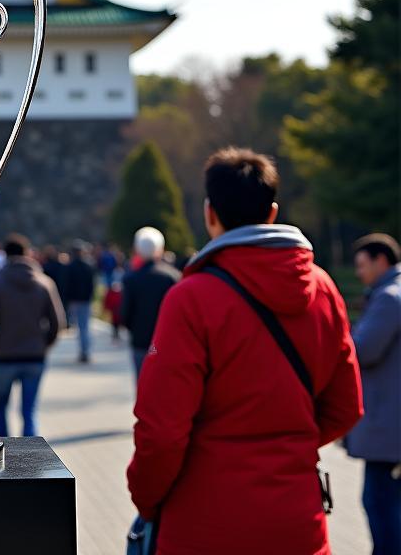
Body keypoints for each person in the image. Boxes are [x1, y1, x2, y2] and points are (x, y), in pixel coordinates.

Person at [127, 148, 362, 555]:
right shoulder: (322, 288)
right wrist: (286, 444)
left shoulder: (192, 297)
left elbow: (162, 432)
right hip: (298, 521)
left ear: (209, 214)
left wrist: (146, 500)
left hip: (203, 522)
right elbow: (346, 407)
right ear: (272, 212)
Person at [345, 233, 401, 555]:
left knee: (379, 504)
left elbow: (361, 351)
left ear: (382, 260)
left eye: (362, 265)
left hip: (387, 428)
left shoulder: (388, 298)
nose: (359, 273)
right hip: (393, 426)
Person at [0, 234, 64, 438]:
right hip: (34, 355)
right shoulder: (44, 283)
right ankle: (31, 456)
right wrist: (44, 344)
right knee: (29, 410)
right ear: (27, 253)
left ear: (5, 255)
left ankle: (4, 448)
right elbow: (57, 323)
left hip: (4, 355)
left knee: (0, 407)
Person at [121, 227, 181, 379]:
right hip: (166, 341)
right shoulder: (173, 277)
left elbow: (125, 314)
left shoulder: (131, 278)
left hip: (140, 341)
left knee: (143, 382)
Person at [66, 241, 95, 363]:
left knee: (80, 327)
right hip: (85, 300)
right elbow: (92, 285)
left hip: (75, 300)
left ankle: (84, 351)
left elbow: (66, 285)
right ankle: (85, 350)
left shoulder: (70, 267)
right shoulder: (88, 266)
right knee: (84, 327)